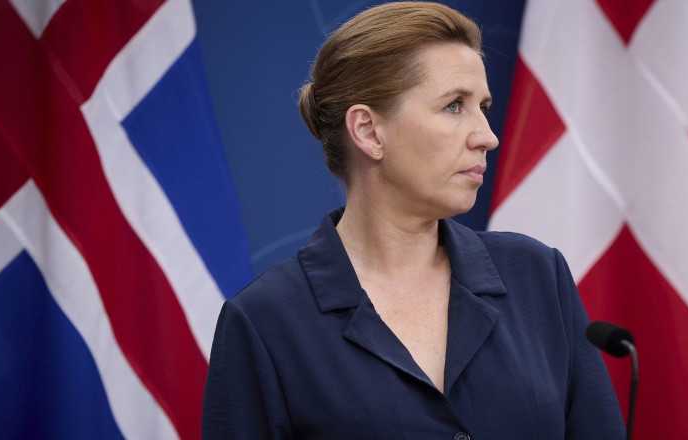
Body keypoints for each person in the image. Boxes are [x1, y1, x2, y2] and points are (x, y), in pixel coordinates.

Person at [202, 2, 625, 439]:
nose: (488, 136)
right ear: (368, 131)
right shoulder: (265, 322)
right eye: (454, 106)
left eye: (483, 105)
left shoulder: (537, 276)